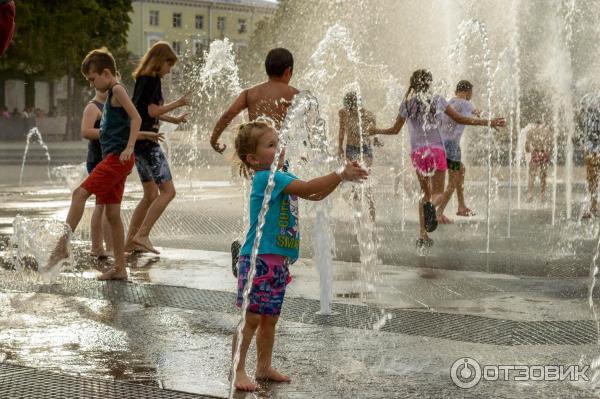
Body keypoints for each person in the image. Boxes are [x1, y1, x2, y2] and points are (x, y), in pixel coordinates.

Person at [231, 121, 368, 391]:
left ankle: (263, 366)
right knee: (252, 319)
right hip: (259, 259)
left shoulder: (281, 176)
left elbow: (314, 195)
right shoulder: (268, 177)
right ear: (253, 158)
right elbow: (307, 188)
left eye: (278, 142)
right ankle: (238, 371)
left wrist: (341, 179)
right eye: (271, 145)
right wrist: (340, 173)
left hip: (276, 261)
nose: (278, 147)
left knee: (270, 318)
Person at [371, 69, 505, 248]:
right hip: (436, 151)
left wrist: (376, 130)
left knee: (425, 194)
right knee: (438, 194)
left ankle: (423, 235)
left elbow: (395, 130)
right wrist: (488, 122)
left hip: (418, 154)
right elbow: (460, 119)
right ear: (429, 83)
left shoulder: (407, 104)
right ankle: (432, 208)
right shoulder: (438, 100)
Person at [48, 47, 141, 280]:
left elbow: (136, 117)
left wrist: (129, 147)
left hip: (117, 158)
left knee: (79, 193)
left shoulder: (117, 89)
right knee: (112, 214)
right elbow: (123, 126)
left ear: (106, 72)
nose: (92, 84)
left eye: (93, 79)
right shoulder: (111, 94)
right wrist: (136, 141)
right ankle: (120, 268)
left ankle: (62, 246)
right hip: (118, 157)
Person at [210, 48, 299, 276]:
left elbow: (228, 114)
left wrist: (214, 138)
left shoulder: (251, 93)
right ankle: (273, 258)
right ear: (288, 71)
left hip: (257, 161)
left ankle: (248, 250)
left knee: (259, 206)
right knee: (282, 209)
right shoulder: (294, 93)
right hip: (279, 161)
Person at [124, 41, 188, 255]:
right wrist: (178, 103)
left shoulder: (142, 79)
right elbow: (152, 111)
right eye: (169, 65)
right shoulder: (152, 79)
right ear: (161, 61)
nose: (170, 70)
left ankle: (130, 241)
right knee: (168, 192)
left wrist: (174, 119)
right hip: (148, 143)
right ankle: (142, 234)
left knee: (150, 194)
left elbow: (147, 111)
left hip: (138, 143)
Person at [81, 88, 163, 258]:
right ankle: (99, 247)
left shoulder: (113, 106)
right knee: (100, 204)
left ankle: (107, 248)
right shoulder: (93, 106)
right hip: (98, 159)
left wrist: (142, 135)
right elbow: (85, 132)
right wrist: (109, 132)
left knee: (106, 205)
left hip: (110, 157)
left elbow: (124, 132)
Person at [436, 80, 479, 221]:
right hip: (452, 147)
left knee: (461, 170)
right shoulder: (466, 103)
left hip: (442, 145)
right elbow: (473, 114)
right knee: (453, 180)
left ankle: (461, 206)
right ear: (468, 92)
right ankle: (438, 212)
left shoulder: (449, 103)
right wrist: (483, 115)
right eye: (471, 92)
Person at [338, 91, 377, 222]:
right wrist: (339, 147)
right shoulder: (343, 113)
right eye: (349, 107)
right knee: (354, 183)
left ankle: (372, 219)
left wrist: (376, 139)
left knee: (365, 180)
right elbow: (341, 130)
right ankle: (357, 217)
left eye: (353, 107)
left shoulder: (368, 115)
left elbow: (374, 133)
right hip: (350, 148)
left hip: (365, 150)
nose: (351, 110)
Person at [576, 92, 600, 218]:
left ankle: (593, 207)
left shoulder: (590, 114)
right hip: (592, 148)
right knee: (592, 179)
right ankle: (593, 207)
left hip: (593, 149)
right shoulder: (589, 101)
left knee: (592, 179)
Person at [524, 120, 552, 202]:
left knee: (532, 175)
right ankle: (542, 195)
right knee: (543, 176)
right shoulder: (547, 131)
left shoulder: (530, 131)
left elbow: (527, 147)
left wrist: (529, 150)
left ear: (534, 123)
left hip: (536, 152)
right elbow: (550, 144)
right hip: (544, 153)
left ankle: (530, 195)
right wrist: (548, 154)